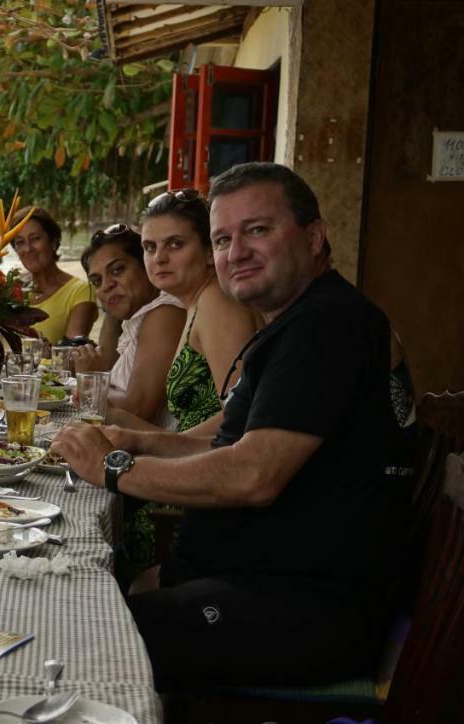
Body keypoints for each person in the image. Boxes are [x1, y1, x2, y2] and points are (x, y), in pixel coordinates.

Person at [51, 162, 406, 690]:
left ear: (315, 236)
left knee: (76, 636)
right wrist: (138, 440)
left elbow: (252, 475)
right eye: (223, 237)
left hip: (302, 608)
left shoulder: (330, 326)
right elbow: (226, 439)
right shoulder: (296, 323)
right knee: (82, 588)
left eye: (257, 230)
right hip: (249, 580)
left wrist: (115, 467)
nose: (235, 251)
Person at [114, 189, 259, 433]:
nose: (159, 258)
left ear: (209, 252)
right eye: (149, 247)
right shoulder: (196, 302)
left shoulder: (217, 302)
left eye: (175, 244)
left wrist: (155, 441)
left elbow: (241, 415)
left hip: (212, 462)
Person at [76, 223, 185, 425]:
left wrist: (91, 380)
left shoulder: (164, 313)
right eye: (97, 281)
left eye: (117, 270)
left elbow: (137, 410)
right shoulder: (136, 320)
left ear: (146, 266)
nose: (106, 285)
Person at [13, 206, 98, 345]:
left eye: (35, 239)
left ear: (53, 242)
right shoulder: (11, 289)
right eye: (20, 242)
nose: (28, 249)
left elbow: (71, 352)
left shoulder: (80, 291)